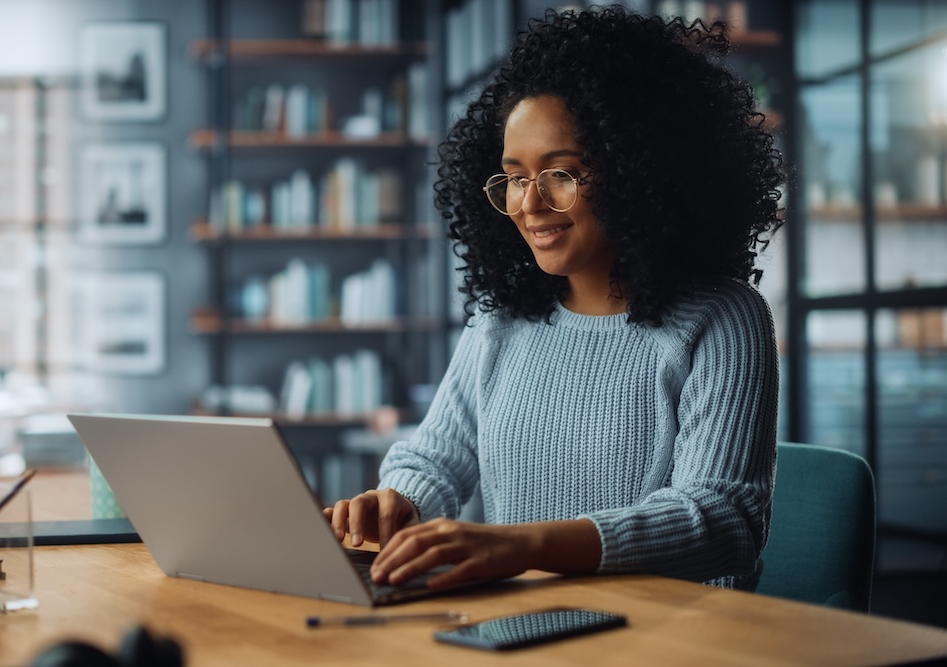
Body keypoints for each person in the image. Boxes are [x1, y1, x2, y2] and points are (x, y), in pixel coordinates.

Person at [324, 6, 784, 592]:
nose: (529, 203)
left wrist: (521, 546)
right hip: (515, 632)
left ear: (637, 171)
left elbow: (723, 520)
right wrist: (399, 505)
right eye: (515, 176)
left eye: (561, 173)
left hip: (667, 642)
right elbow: (433, 461)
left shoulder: (722, 319)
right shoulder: (500, 324)